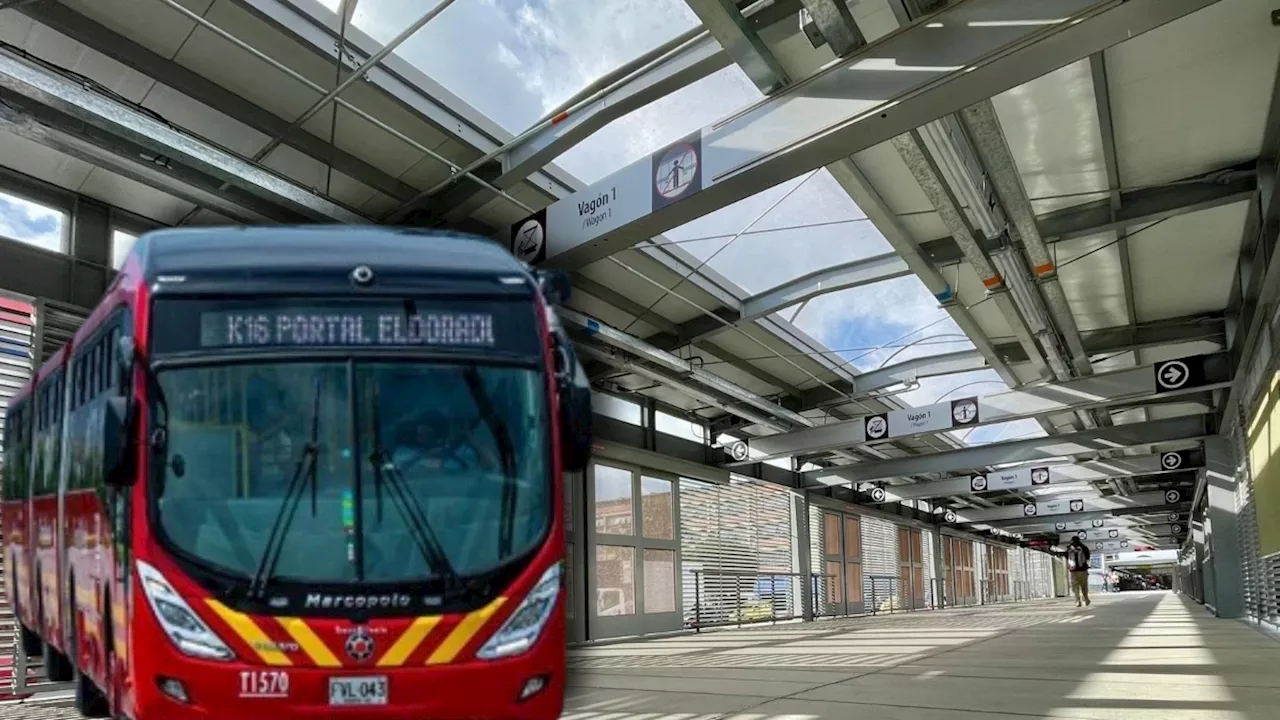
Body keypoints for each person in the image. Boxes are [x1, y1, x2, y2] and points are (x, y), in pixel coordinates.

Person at [1066, 537, 1092, 607]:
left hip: (1073, 571)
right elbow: (1088, 557)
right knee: (1084, 586)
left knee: (1075, 587)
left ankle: (1077, 601)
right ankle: (1086, 599)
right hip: (1083, 570)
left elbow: (1066, 558)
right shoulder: (1084, 547)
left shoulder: (1069, 549)